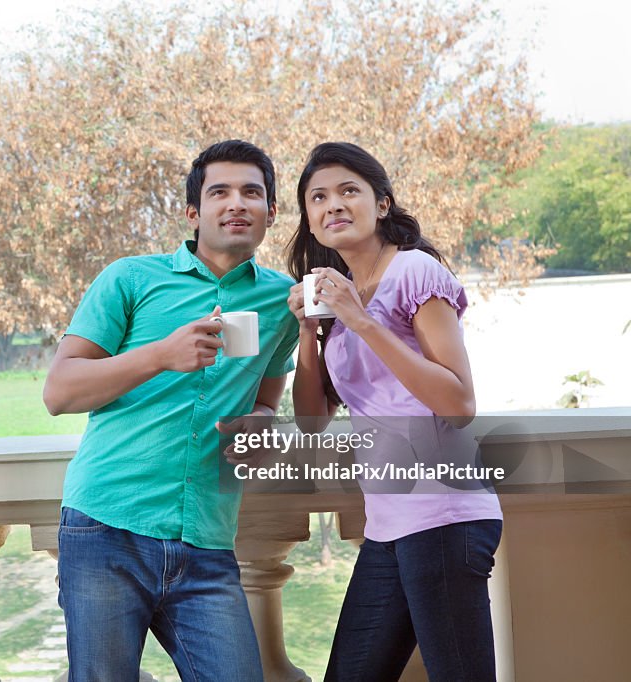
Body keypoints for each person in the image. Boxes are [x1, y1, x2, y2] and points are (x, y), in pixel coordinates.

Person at [43, 139, 300, 680]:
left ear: (271, 212)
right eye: (220, 192)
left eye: (252, 192)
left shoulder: (282, 302)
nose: (237, 203)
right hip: (107, 529)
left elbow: (265, 399)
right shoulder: (131, 279)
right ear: (193, 212)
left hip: (207, 539)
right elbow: (60, 392)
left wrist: (259, 423)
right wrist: (162, 355)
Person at [285, 142, 503, 682]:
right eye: (318, 197)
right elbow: (312, 420)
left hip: (444, 515)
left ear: (381, 204)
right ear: (310, 220)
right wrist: (309, 333)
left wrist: (360, 320)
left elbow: (459, 402)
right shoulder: (339, 301)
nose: (333, 204)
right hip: (388, 526)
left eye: (347, 191)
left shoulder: (413, 272)